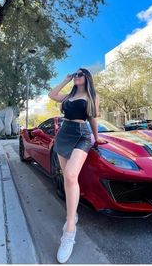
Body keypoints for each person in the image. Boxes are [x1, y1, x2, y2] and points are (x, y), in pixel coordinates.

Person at [48, 68, 107, 263]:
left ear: (86, 78)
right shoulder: (69, 95)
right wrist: (66, 79)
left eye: (80, 74)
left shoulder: (92, 96)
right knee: (67, 178)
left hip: (81, 135)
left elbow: (93, 119)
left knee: (72, 176)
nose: (77, 76)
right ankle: (72, 215)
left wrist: (97, 139)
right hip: (64, 134)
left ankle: (69, 232)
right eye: (75, 74)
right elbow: (51, 95)